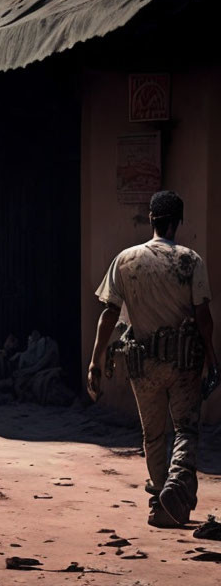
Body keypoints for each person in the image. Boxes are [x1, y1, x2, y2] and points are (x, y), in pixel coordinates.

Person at [88, 190, 217, 528]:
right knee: (186, 427)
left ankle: (160, 502)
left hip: (142, 364)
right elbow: (203, 316)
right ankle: (176, 484)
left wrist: (95, 360)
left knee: (153, 435)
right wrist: (212, 358)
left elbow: (109, 314)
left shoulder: (125, 260)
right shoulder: (190, 260)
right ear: (178, 222)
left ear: (151, 219)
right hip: (184, 363)